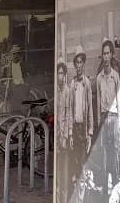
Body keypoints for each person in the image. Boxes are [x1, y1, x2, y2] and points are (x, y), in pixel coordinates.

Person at [96, 39, 120, 191]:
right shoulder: (99, 78)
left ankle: (117, 182)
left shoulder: (116, 76)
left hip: (114, 117)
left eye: (108, 53)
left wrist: (119, 121)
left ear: (111, 55)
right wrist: (99, 123)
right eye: (104, 54)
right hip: (104, 117)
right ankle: (106, 185)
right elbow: (98, 102)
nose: (105, 57)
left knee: (115, 150)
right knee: (105, 151)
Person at [70, 45, 94, 186]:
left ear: (84, 64)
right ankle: (76, 186)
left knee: (83, 157)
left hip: (84, 128)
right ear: (75, 65)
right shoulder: (73, 84)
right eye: (77, 62)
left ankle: (84, 186)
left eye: (81, 62)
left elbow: (90, 108)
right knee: (75, 157)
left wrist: (90, 132)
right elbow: (70, 108)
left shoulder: (87, 83)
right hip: (75, 127)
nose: (79, 65)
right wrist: (70, 132)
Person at [55, 58, 72, 203]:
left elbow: (68, 114)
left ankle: (65, 198)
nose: (60, 76)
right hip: (55, 135)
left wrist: (66, 136)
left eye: (62, 73)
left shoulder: (67, 91)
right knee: (57, 170)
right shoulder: (55, 92)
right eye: (58, 73)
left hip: (64, 136)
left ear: (65, 75)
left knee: (65, 169)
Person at [1, 44, 27, 112]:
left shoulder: (23, 66)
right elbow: (2, 79)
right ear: (11, 55)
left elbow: (26, 77)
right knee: (11, 107)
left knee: (21, 107)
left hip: (21, 88)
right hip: (11, 89)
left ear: (20, 56)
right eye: (14, 54)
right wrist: (4, 83)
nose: (16, 56)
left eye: (18, 54)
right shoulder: (7, 68)